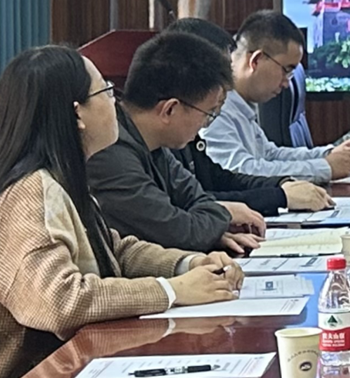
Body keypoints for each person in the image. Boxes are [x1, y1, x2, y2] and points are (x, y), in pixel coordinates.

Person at [0, 46, 244, 378]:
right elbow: (59, 302)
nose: (116, 103)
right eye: (106, 92)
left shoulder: (61, 178)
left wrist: (187, 265)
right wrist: (172, 291)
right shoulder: (30, 194)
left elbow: (112, 249)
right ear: (77, 113)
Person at [86, 31, 269, 254]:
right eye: (208, 113)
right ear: (170, 109)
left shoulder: (155, 145)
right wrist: (223, 215)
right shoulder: (110, 154)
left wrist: (210, 227)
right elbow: (180, 232)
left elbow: (197, 197)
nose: (206, 124)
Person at [164, 18, 332, 216]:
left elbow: (222, 179)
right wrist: (280, 195)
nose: (228, 86)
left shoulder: (186, 135)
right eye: (221, 77)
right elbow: (189, 205)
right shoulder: (156, 146)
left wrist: (282, 185)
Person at [202, 10, 350, 183]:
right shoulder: (214, 108)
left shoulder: (241, 104)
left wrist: (329, 154)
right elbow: (239, 172)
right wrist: (325, 167)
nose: (287, 83)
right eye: (286, 70)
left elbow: (270, 155)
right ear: (256, 60)